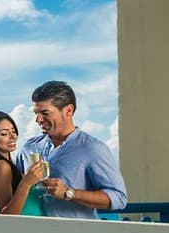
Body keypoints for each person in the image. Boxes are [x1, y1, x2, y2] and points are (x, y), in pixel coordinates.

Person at [21, 80, 127, 219]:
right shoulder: (29, 147)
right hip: (31, 231)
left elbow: (119, 198)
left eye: (45, 113)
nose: (38, 119)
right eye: (36, 113)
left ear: (68, 110)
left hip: (75, 232)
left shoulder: (93, 149)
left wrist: (69, 193)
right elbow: (12, 188)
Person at [0, 110, 46, 215]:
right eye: (4, 133)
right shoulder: (1, 166)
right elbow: (5, 216)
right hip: (26, 226)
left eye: (13, 131)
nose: (13, 136)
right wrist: (26, 183)